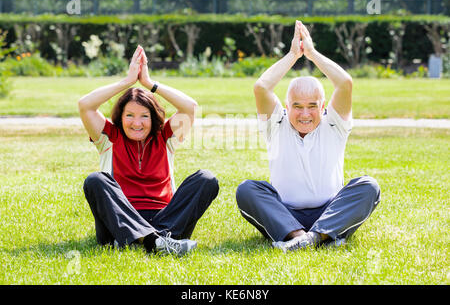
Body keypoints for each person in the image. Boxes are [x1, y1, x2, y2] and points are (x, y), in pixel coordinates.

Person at [235, 21, 381, 252]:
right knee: (247, 190)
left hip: (331, 210)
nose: (305, 114)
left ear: (323, 105)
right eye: (297, 106)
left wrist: (311, 54)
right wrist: (293, 55)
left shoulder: (334, 124)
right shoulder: (277, 123)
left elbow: (344, 83)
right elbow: (261, 87)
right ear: (286, 106)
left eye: (312, 106)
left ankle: (310, 238)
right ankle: (304, 235)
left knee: (368, 186)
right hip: (284, 213)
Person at [78, 45, 219, 256]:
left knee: (206, 179)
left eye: (144, 116)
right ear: (120, 117)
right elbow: (85, 105)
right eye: (129, 116)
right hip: (120, 219)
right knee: (95, 180)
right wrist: (127, 82)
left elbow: (190, 107)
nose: (137, 123)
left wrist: (149, 84)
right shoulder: (109, 138)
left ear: (153, 118)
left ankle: (147, 240)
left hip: (165, 217)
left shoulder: (165, 138)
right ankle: (157, 241)